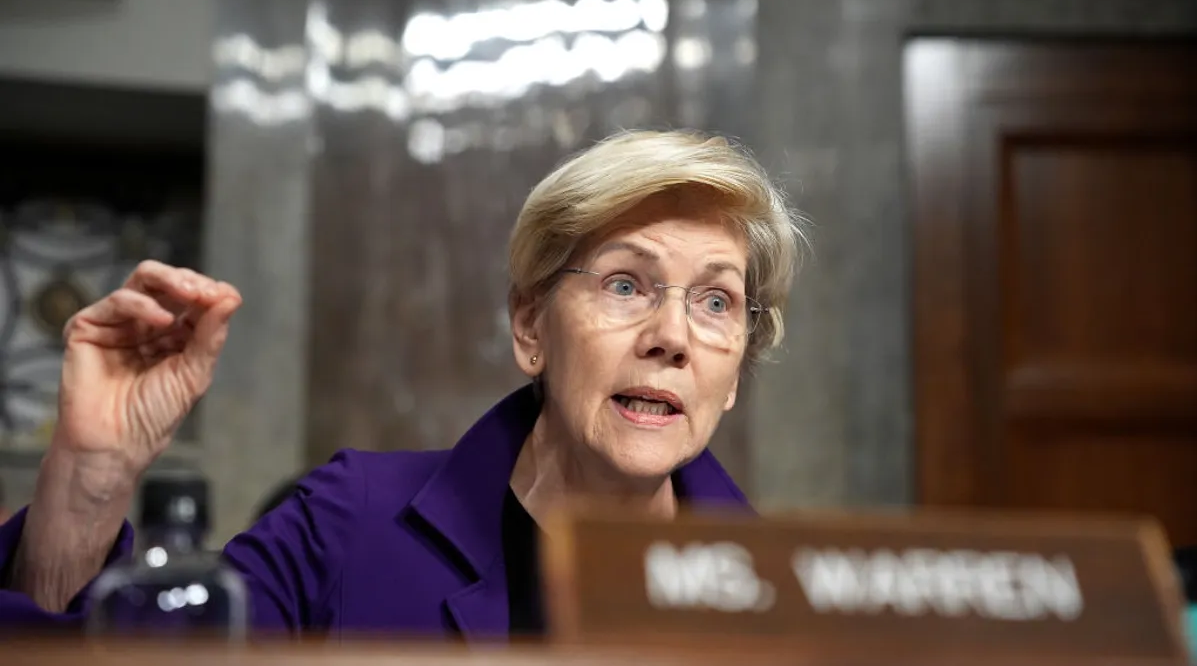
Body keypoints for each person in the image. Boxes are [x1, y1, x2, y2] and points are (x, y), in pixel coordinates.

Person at [0, 129, 804, 639]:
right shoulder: (346, 526)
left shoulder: (792, 605)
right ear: (531, 327)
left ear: (734, 369)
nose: (671, 336)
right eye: (626, 284)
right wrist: (90, 472)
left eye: (715, 301)